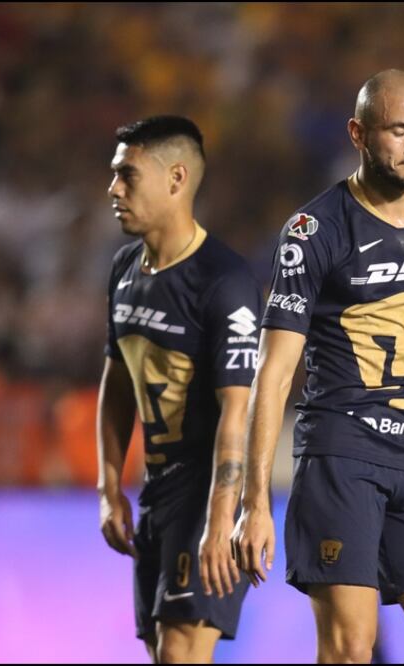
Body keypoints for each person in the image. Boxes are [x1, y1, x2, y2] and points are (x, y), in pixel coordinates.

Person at [230, 70, 404, 664]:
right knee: (351, 648)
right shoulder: (314, 230)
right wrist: (253, 503)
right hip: (341, 454)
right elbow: (273, 374)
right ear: (358, 133)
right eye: (399, 131)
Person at [97, 116, 260, 663]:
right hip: (156, 494)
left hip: (205, 492)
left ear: (176, 178)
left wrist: (222, 518)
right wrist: (107, 485)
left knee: (180, 653)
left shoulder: (226, 282)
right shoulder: (123, 269)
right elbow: (117, 382)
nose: (113, 189)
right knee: (160, 651)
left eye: (127, 176)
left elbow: (239, 411)